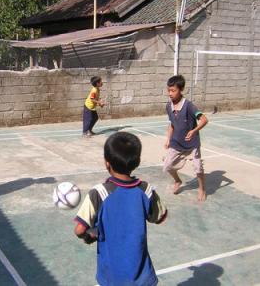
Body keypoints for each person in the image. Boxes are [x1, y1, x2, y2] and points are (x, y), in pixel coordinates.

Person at [74, 132, 167, 286]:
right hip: (142, 276)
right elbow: (160, 217)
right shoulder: (146, 190)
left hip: (112, 277)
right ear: (137, 161)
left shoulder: (98, 193)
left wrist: (90, 234)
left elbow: (79, 229)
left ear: (107, 163)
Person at [163, 75, 209, 201]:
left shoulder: (189, 106)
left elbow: (204, 120)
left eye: (173, 90)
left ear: (181, 89)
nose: (170, 93)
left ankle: (201, 188)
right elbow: (172, 124)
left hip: (192, 143)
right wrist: (168, 139)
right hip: (176, 142)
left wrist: (194, 131)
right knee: (167, 166)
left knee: (198, 167)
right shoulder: (168, 106)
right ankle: (178, 180)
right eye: (169, 90)